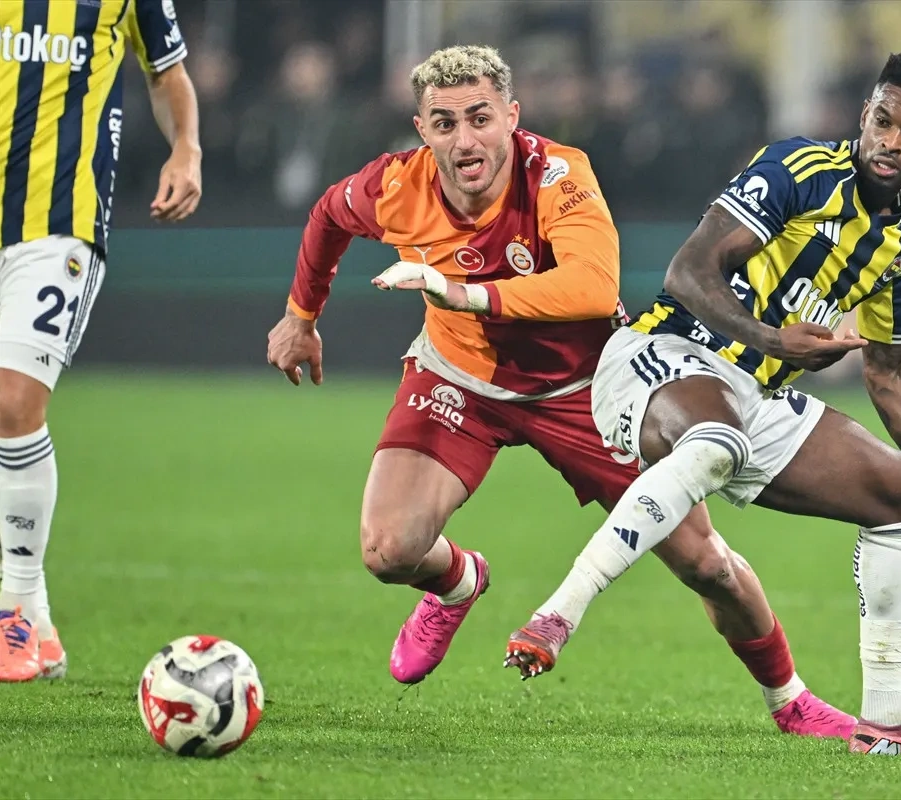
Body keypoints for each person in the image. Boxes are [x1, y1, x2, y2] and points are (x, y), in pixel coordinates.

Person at [266, 45, 854, 739]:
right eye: (445, 124)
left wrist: (460, 292)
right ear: (422, 130)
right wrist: (301, 316)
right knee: (389, 550)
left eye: (480, 118)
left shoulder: (558, 173)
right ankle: (458, 582)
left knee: (705, 563)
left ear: (511, 117)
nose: (465, 141)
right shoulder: (395, 186)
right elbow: (328, 217)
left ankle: (791, 700)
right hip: (460, 375)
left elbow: (592, 288)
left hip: (588, 387)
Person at [505, 49, 901, 758]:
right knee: (717, 439)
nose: (892, 142)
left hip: (754, 396)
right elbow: (688, 271)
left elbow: (891, 371)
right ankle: (559, 614)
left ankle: (886, 720)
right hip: (663, 354)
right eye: (883, 121)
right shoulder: (799, 169)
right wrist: (773, 339)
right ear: (864, 112)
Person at [0, 0, 202, 682]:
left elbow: (167, 73)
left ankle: (14, 610)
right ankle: (39, 625)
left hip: (59, 223)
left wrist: (186, 146)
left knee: (13, 401)